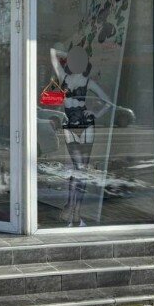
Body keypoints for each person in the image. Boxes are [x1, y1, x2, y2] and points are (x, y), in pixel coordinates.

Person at [50, 45, 110, 226]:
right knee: (78, 169)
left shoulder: (84, 81)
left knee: (81, 170)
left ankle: (75, 211)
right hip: (71, 126)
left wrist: (95, 114)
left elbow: (108, 102)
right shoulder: (65, 77)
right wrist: (70, 56)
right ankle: (72, 208)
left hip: (85, 125)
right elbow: (53, 52)